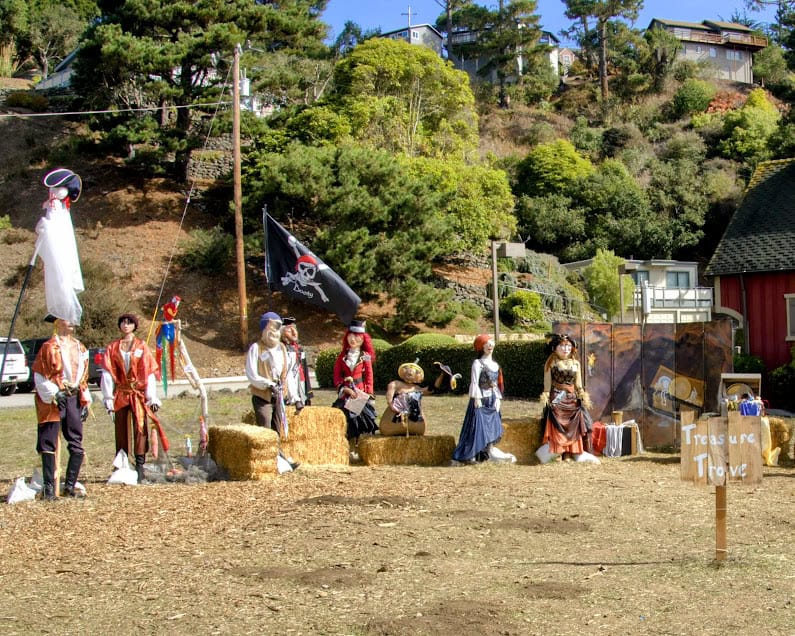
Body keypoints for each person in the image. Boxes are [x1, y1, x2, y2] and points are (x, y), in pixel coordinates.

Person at [32, 316, 92, 499]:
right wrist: (54, 393)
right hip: (54, 398)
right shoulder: (49, 347)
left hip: (73, 397)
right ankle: (50, 489)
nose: (72, 322)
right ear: (57, 322)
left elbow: (84, 377)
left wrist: (85, 400)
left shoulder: (81, 347)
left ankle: (70, 486)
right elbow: (39, 375)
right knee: (49, 440)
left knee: (75, 441)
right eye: (67, 318)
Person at [100, 314, 162, 484]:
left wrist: (152, 397)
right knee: (121, 429)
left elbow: (148, 372)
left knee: (140, 428)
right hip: (121, 393)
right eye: (123, 322)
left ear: (134, 326)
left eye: (129, 323)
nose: (125, 325)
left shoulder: (141, 346)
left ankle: (140, 467)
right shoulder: (113, 347)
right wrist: (108, 397)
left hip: (137, 394)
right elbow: (106, 372)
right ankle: (122, 465)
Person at [245, 311, 298, 471]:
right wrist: (267, 384)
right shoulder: (256, 348)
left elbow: (288, 374)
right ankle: (266, 463)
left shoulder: (282, 348)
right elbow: (252, 374)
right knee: (266, 428)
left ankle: (280, 460)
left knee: (277, 429)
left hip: (279, 396)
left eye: (276, 329)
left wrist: (295, 397)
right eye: (270, 329)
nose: (274, 333)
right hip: (263, 396)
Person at [452, 334, 515, 464]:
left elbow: (496, 384)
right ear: (481, 347)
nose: (489, 346)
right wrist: (476, 398)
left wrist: (498, 399)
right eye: (486, 344)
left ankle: (488, 451)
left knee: (493, 425)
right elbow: (474, 382)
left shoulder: (496, 365)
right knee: (477, 427)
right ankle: (470, 454)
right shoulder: (477, 363)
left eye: (491, 343)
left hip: (492, 399)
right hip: (480, 398)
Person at [540, 333, 593, 460]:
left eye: (568, 346)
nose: (565, 349)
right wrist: (546, 396)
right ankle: (558, 451)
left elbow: (578, 383)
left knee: (572, 426)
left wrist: (582, 395)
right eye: (562, 346)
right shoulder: (551, 362)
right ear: (555, 348)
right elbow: (547, 382)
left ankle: (569, 452)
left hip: (572, 398)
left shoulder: (576, 363)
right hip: (557, 397)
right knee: (558, 425)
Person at [332, 320, 378, 452]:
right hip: (346, 393)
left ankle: (360, 447)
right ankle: (348, 446)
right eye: (351, 335)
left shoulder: (365, 357)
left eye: (357, 336)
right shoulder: (342, 356)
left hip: (360, 393)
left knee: (360, 420)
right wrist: (343, 388)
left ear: (363, 339)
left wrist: (369, 393)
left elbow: (369, 376)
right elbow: (336, 376)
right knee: (345, 419)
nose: (354, 339)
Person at [380, 361, 426, 436]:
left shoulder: (417, 388)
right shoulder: (396, 384)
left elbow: (431, 389)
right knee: (388, 428)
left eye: (411, 374)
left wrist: (442, 375)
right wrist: (392, 406)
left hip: (415, 418)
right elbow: (389, 397)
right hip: (394, 415)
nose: (409, 375)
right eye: (408, 373)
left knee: (418, 429)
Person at [280, 317, 312, 412]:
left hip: (300, 382)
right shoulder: (281, 349)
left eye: (295, 329)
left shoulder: (299, 349)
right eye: (290, 330)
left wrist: (308, 392)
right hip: (288, 386)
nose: (294, 333)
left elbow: (305, 371)